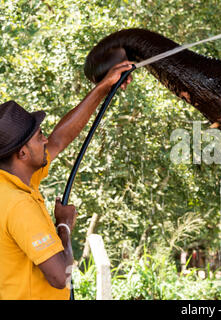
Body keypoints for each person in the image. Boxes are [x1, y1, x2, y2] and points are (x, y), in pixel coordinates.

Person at [0, 61, 133, 300]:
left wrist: (104, 86)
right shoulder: (19, 205)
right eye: (39, 136)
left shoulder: (9, 182)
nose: (45, 141)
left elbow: (59, 140)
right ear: (22, 154)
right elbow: (61, 277)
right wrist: (64, 228)